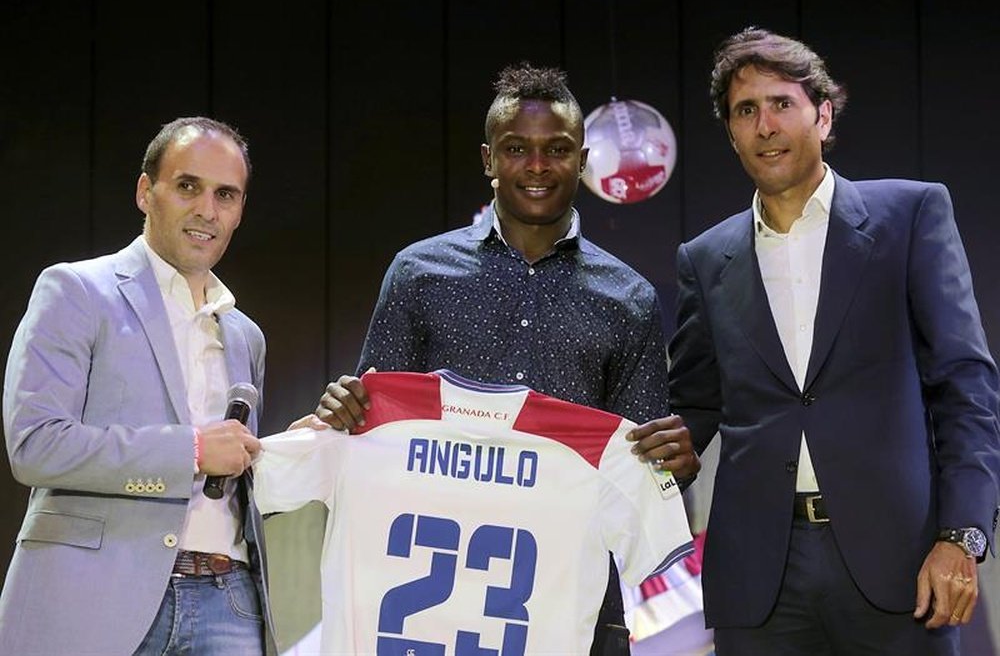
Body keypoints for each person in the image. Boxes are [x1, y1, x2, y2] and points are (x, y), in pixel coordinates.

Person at [314, 63, 701, 655]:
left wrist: (672, 465)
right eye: (517, 149)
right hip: (426, 605)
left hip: (572, 611)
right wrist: (345, 413)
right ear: (489, 159)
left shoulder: (628, 299)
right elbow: (374, 435)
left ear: (584, 159)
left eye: (558, 149)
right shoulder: (420, 274)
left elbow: (638, 472)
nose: (538, 166)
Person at [667, 27, 1000, 655]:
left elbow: (967, 386)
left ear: (822, 114)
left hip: (900, 563)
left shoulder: (911, 215)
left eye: (781, 104)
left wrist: (964, 537)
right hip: (758, 578)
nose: (765, 125)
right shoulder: (705, 258)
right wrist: (658, 454)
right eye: (746, 111)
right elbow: (696, 406)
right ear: (732, 133)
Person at [0, 117, 274, 655]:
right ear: (146, 192)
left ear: (240, 211)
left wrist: (290, 452)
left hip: (229, 600)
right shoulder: (77, 291)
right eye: (188, 186)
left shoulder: (246, 336)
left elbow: (234, 470)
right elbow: (35, 445)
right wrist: (192, 450)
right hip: (94, 595)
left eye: (226, 194)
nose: (207, 210)